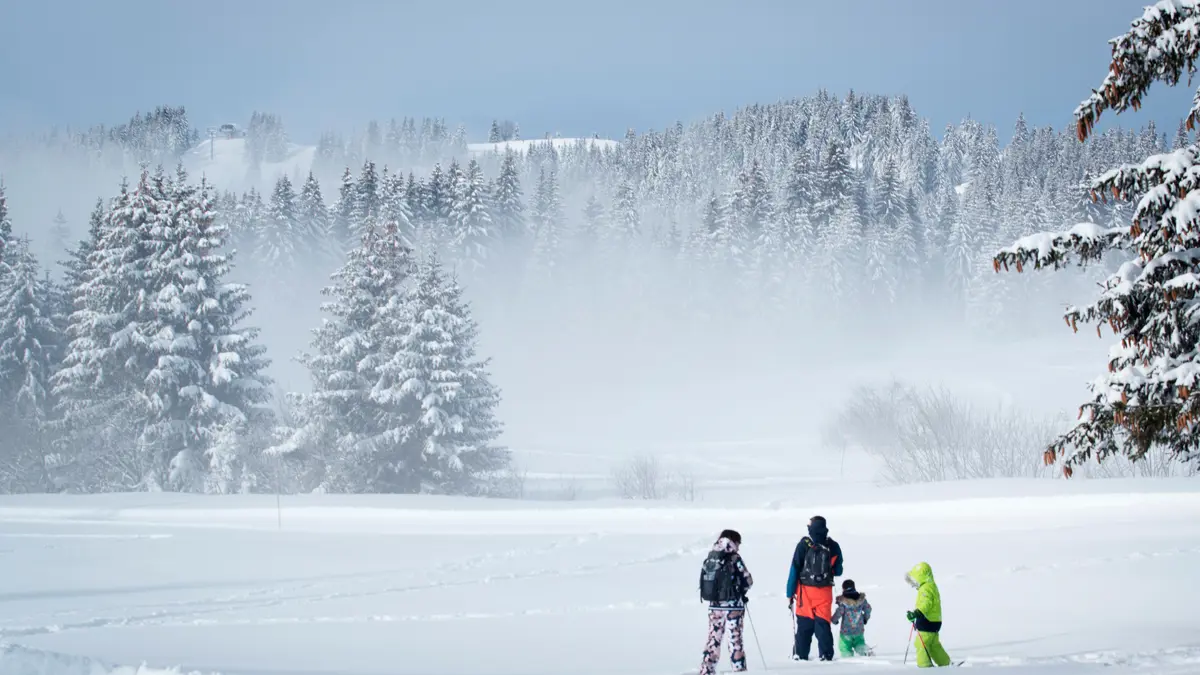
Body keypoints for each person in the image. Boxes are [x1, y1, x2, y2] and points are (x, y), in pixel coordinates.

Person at [786, 515, 843, 661]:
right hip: (824, 592)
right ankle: (826, 655)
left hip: (805, 592)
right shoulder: (833, 545)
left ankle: (800, 654)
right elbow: (838, 571)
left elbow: (795, 569)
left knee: (804, 625)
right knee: (822, 625)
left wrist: (790, 592)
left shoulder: (804, 544)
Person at [699, 529, 754, 675]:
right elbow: (748, 580)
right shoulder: (734, 558)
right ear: (734, 541)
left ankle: (706, 670)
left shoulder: (712, 556)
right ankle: (739, 669)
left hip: (714, 605)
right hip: (733, 606)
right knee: (734, 639)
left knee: (713, 638)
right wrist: (741, 591)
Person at [905, 562, 952, 668]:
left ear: (921, 576)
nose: (914, 583)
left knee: (921, 644)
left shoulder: (925, 588)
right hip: (935, 621)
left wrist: (917, 613)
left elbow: (926, 603)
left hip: (926, 621)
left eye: (915, 579)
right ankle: (945, 663)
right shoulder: (932, 586)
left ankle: (924, 666)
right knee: (933, 645)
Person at [831, 579, 872, 658]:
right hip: (859, 631)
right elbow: (868, 609)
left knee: (844, 647)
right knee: (859, 643)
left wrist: (834, 620)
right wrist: (865, 618)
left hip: (846, 632)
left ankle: (848, 657)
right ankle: (864, 651)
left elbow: (839, 612)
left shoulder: (843, 603)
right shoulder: (861, 600)